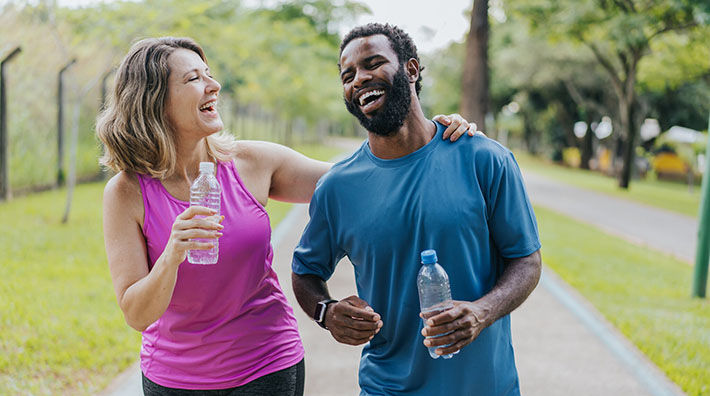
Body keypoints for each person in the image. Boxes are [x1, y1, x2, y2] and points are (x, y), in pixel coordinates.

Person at [97, 36, 473, 395]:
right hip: (173, 378)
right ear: (155, 100)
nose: (213, 86)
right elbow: (137, 314)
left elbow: (362, 180)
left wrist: (428, 134)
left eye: (208, 73)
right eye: (194, 78)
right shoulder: (126, 193)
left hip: (266, 364)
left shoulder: (252, 163)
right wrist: (172, 255)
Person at [291, 23, 542, 396]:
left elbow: (526, 262)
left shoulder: (484, 159)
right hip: (386, 387)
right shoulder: (338, 186)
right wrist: (326, 312)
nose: (359, 79)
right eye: (348, 75)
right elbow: (305, 271)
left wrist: (481, 312)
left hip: (486, 386)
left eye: (373, 63)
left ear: (411, 68)